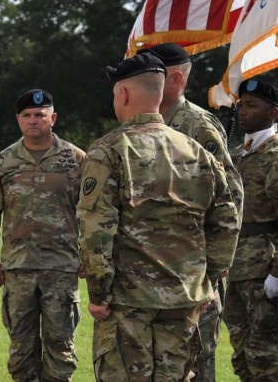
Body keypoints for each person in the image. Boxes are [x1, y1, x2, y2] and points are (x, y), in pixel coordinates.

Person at [76, 53, 239, 381]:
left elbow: (96, 229)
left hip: (127, 299)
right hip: (184, 297)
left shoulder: (109, 152)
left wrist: (98, 292)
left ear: (122, 95)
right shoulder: (197, 152)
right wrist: (209, 279)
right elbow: (227, 216)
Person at [137, 43, 244, 381]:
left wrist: (212, 269)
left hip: (194, 273)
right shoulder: (143, 125)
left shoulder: (198, 126)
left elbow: (230, 198)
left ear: (176, 78)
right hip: (153, 269)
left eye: (155, 73)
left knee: (196, 362)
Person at [0, 89, 85, 382]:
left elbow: (92, 213)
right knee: (21, 350)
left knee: (61, 348)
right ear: (18, 120)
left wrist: (89, 257)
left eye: (40, 114)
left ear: (53, 118)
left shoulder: (76, 159)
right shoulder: (3, 163)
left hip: (61, 268)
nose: (33, 120)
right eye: (27, 115)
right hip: (17, 269)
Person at [223, 78, 278, 381]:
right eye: (242, 105)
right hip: (236, 270)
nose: (243, 112)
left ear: (273, 113)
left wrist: (277, 274)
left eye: (252, 106)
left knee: (266, 358)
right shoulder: (237, 156)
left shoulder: (274, 155)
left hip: (263, 271)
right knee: (242, 356)